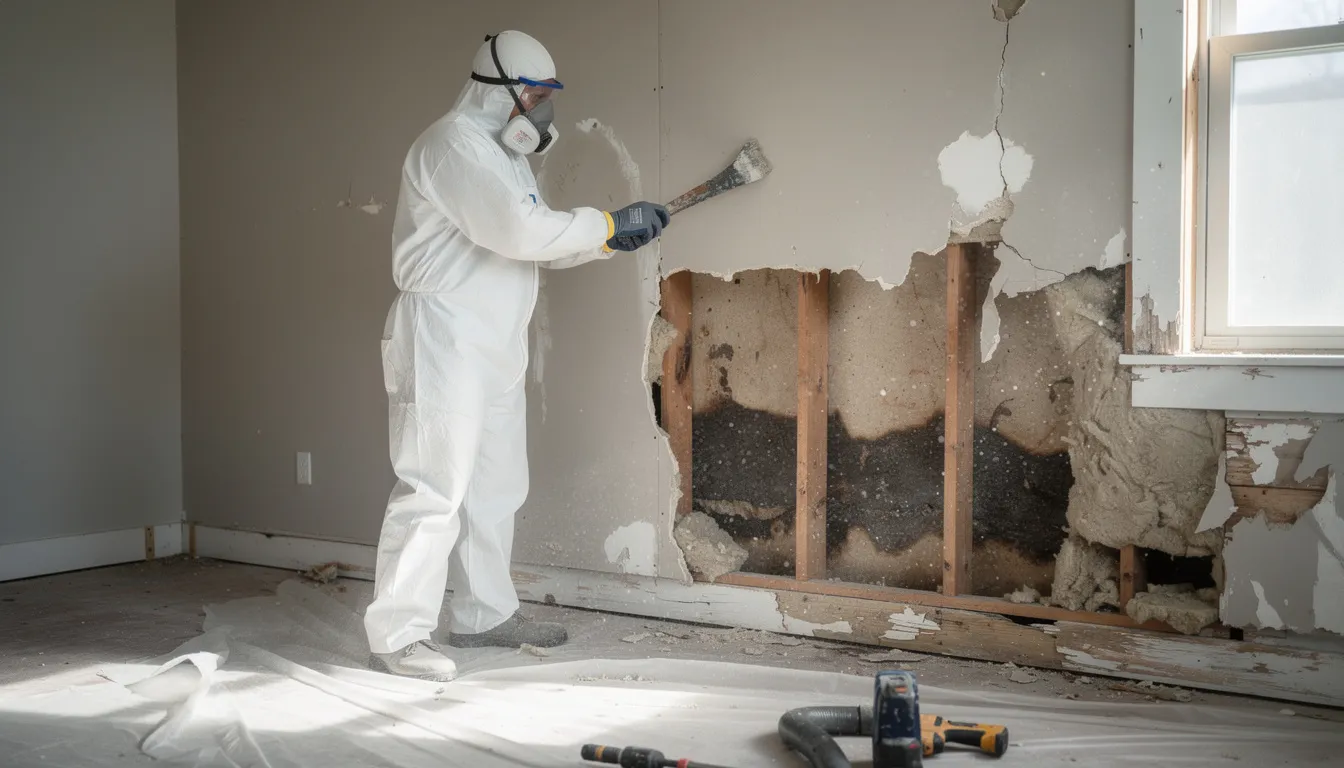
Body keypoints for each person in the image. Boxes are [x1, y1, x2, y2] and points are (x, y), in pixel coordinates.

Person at [365, 30, 669, 681]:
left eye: (545, 96)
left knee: (495, 485)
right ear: (494, 90)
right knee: (434, 486)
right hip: (443, 333)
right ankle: (397, 634)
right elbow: (519, 230)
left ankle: (483, 615)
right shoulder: (453, 145)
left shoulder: (504, 156)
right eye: (533, 94)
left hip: (495, 336)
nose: (541, 108)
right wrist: (608, 224)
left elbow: (535, 239)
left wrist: (611, 240)